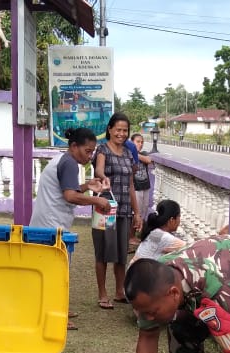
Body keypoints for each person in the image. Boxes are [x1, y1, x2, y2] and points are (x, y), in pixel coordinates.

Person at [30, 127, 113, 329]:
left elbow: (68, 190)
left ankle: (58, 309)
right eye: (87, 151)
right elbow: (70, 196)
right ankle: (56, 316)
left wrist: (86, 186)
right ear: (74, 146)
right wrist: (97, 202)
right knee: (55, 272)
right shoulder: (69, 164)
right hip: (52, 226)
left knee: (55, 271)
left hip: (48, 223)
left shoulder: (63, 160)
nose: (90, 155)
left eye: (92, 151)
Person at [94, 113, 142, 309]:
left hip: (124, 210)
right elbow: (99, 169)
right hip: (105, 208)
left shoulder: (129, 154)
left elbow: (131, 185)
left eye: (125, 130)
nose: (121, 134)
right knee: (103, 251)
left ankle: (120, 291)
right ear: (110, 129)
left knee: (122, 253)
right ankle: (102, 293)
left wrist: (136, 212)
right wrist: (103, 177)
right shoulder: (102, 149)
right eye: (118, 130)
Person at [128, 133, 154, 226]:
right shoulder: (127, 154)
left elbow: (148, 160)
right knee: (136, 212)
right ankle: (132, 235)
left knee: (144, 210)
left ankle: (139, 232)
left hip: (145, 186)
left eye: (142, 142)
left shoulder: (143, 153)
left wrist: (135, 153)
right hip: (135, 187)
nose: (140, 144)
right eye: (138, 142)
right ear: (132, 142)